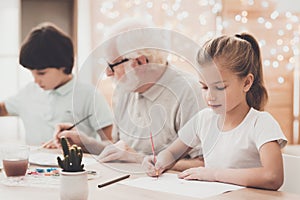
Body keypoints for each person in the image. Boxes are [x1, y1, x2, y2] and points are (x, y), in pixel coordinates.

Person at [54, 18, 206, 171]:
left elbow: (202, 163)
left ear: (140, 62)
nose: (107, 73)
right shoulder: (125, 89)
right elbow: (121, 151)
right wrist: (84, 142)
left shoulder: (189, 92)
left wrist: (138, 159)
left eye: (112, 65)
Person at [143, 33, 287, 190]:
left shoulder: (261, 123)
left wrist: (213, 175)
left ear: (246, 83)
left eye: (219, 87)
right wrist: (158, 162)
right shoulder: (203, 119)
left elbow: (273, 177)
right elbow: (172, 153)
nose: (210, 96)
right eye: (204, 87)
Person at [0, 22, 113, 148]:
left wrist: (81, 144)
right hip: (33, 166)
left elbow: (111, 145)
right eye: (31, 73)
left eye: (41, 73)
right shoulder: (28, 92)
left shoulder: (89, 95)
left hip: (76, 166)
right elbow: (2, 109)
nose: (36, 80)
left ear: (63, 65)